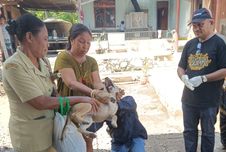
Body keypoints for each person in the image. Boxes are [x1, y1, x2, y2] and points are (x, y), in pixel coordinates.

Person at [2, 13, 99, 152]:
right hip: (32, 138)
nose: (48, 44)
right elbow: (41, 102)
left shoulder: (44, 62)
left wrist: (73, 115)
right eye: (46, 38)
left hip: (52, 131)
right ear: (29, 37)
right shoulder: (13, 66)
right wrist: (81, 98)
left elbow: (53, 94)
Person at [54, 23, 147, 152]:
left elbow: (97, 83)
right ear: (71, 40)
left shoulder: (91, 61)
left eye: (88, 43)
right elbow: (71, 82)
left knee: (125, 108)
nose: (85, 46)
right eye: (81, 42)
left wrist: (111, 94)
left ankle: (129, 143)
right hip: (70, 106)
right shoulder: (64, 57)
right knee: (76, 143)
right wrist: (92, 93)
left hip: (92, 105)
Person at [177, 8, 226, 152]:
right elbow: (180, 67)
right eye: (194, 25)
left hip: (209, 101)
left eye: (200, 25)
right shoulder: (190, 44)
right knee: (189, 132)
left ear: (211, 22)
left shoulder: (219, 43)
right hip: (188, 100)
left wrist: (204, 78)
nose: (196, 29)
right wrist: (183, 77)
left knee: (207, 133)